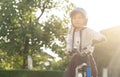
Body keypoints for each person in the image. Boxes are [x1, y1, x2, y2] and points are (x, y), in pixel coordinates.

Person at [65, 7, 106, 77]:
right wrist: (68, 50)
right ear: (71, 20)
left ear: (85, 20)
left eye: (79, 18)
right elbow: (70, 41)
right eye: (74, 18)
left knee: (94, 71)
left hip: (87, 55)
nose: (76, 20)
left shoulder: (88, 30)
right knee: (70, 71)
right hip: (76, 54)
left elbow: (98, 36)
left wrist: (100, 38)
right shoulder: (72, 31)